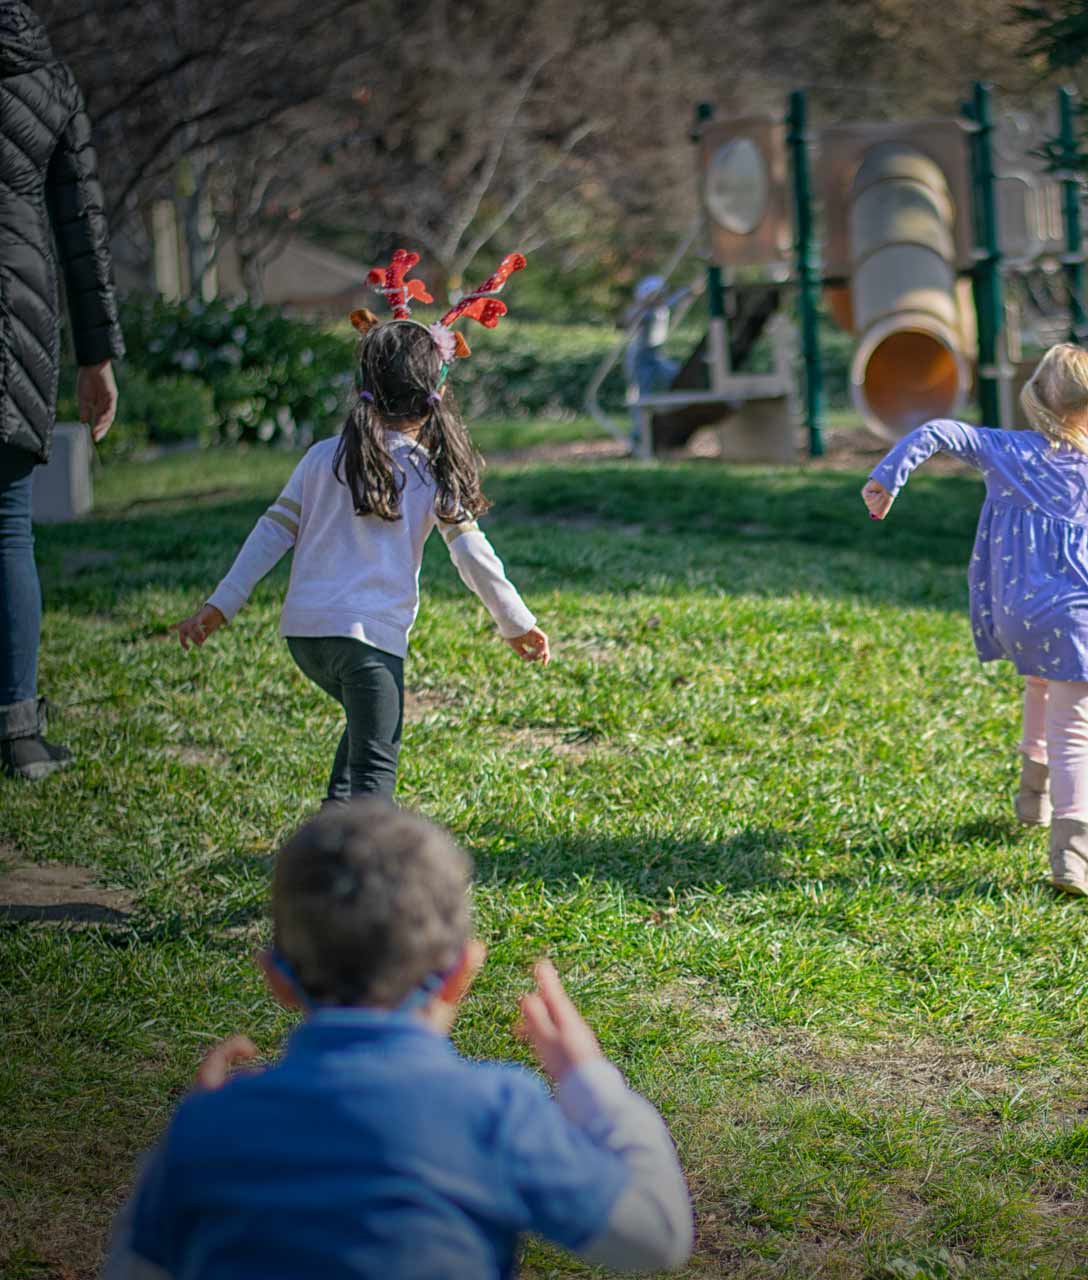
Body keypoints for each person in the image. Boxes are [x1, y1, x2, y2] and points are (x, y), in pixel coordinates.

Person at [102, 801, 696, 1279]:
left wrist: (189, 1136)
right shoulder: (495, 1112)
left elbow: (135, 1265)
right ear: (463, 970)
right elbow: (657, 1236)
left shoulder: (212, 1129)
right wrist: (587, 1081)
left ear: (276, 978)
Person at [173, 250, 549, 804]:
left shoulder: (321, 456)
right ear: (436, 395)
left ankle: (330, 846)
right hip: (370, 643)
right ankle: (359, 877)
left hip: (305, 636)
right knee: (376, 771)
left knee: (360, 742)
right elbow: (473, 557)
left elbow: (270, 533)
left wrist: (221, 604)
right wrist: (515, 622)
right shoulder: (429, 473)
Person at [859, 344, 1088, 897]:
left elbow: (940, 430)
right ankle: (1071, 859)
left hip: (1019, 613)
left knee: (1040, 679)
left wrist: (888, 478)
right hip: (1078, 614)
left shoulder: (1006, 450)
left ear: (1034, 400)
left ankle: (1030, 800)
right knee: (1074, 735)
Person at [0, 0, 122, 780]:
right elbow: (81, 221)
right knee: (7, 527)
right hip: (18, 317)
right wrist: (97, 355)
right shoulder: (46, 73)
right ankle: (18, 733)